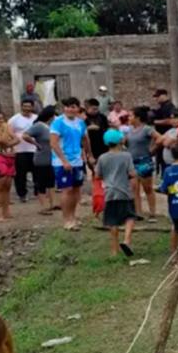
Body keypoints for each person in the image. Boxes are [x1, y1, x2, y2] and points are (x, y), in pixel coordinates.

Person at [50, 97, 93, 231]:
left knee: (76, 190)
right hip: (61, 162)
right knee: (67, 189)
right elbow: (54, 143)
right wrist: (63, 160)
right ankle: (66, 220)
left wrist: (89, 154)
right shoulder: (58, 123)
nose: (70, 109)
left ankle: (73, 217)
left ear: (78, 108)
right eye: (67, 106)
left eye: (73, 106)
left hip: (77, 161)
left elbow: (86, 139)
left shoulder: (80, 123)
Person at [95, 129, 136, 257]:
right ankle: (127, 240)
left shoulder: (102, 158)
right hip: (124, 191)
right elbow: (132, 173)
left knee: (112, 221)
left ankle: (114, 250)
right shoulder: (126, 156)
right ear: (120, 141)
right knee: (130, 216)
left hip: (109, 193)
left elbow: (97, 175)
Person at [126, 106, 163, 222]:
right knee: (134, 188)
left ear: (137, 117)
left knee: (147, 188)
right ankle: (138, 212)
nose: (129, 118)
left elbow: (160, 138)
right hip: (132, 162)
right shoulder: (130, 131)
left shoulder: (147, 129)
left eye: (131, 116)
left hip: (144, 161)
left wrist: (152, 150)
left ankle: (152, 213)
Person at [23, 105, 57, 216]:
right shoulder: (39, 126)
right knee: (41, 183)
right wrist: (36, 144)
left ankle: (53, 203)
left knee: (51, 182)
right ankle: (43, 206)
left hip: (51, 158)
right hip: (41, 158)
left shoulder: (50, 126)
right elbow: (25, 135)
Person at [8, 100, 38, 203]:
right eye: (24, 106)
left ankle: (38, 192)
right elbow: (9, 133)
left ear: (32, 107)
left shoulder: (36, 118)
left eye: (29, 106)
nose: (26, 108)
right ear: (21, 107)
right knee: (20, 174)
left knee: (37, 173)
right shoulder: (14, 119)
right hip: (20, 150)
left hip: (34, 149)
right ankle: (22, 194)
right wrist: (11, 148)